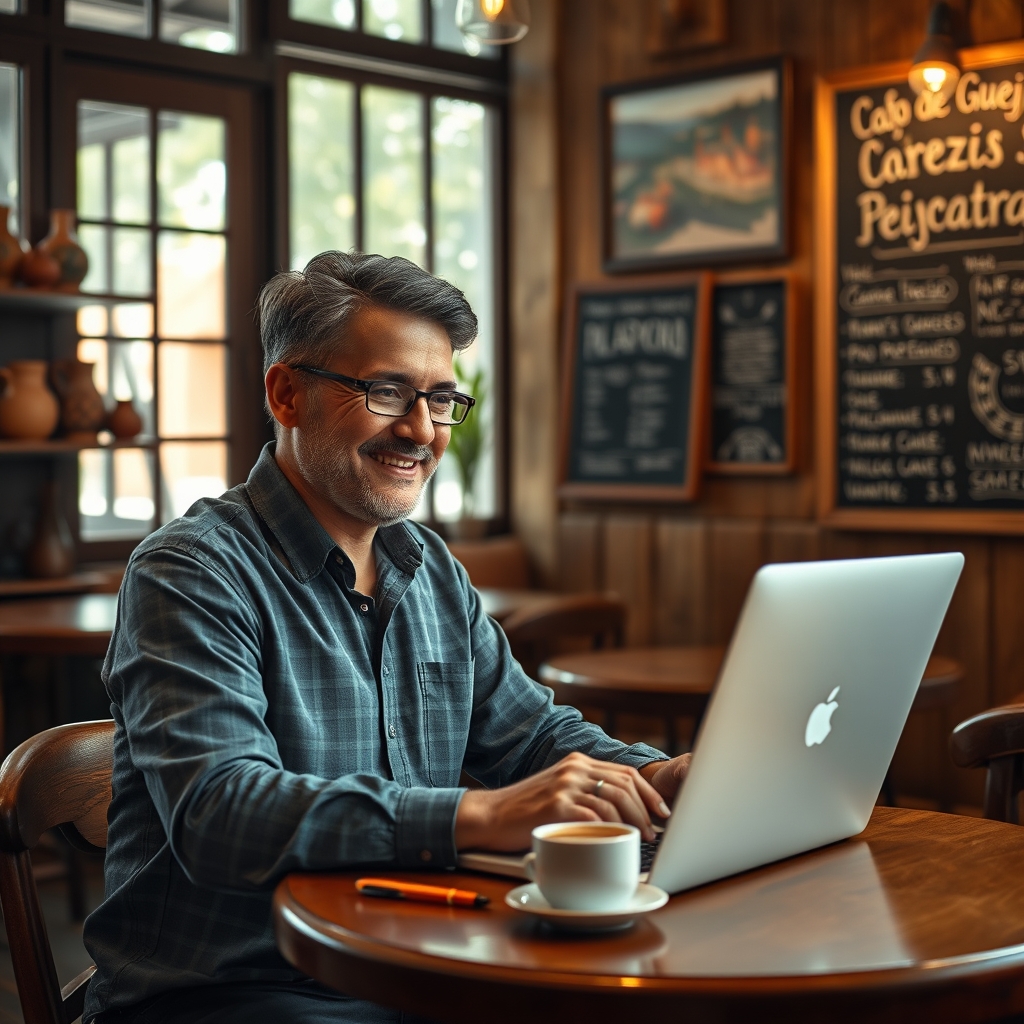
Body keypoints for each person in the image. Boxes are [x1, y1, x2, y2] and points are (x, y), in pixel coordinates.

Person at [83, 252, 691, 1024]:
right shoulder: (190, 571)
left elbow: (533, 736)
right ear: (287, 394)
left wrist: (657, 777)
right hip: (229, 992)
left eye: (440, 399)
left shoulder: (429, 567)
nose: (422, 430)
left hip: (407, 961)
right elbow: (219, 813)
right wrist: (478, 815)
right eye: (387, 392)